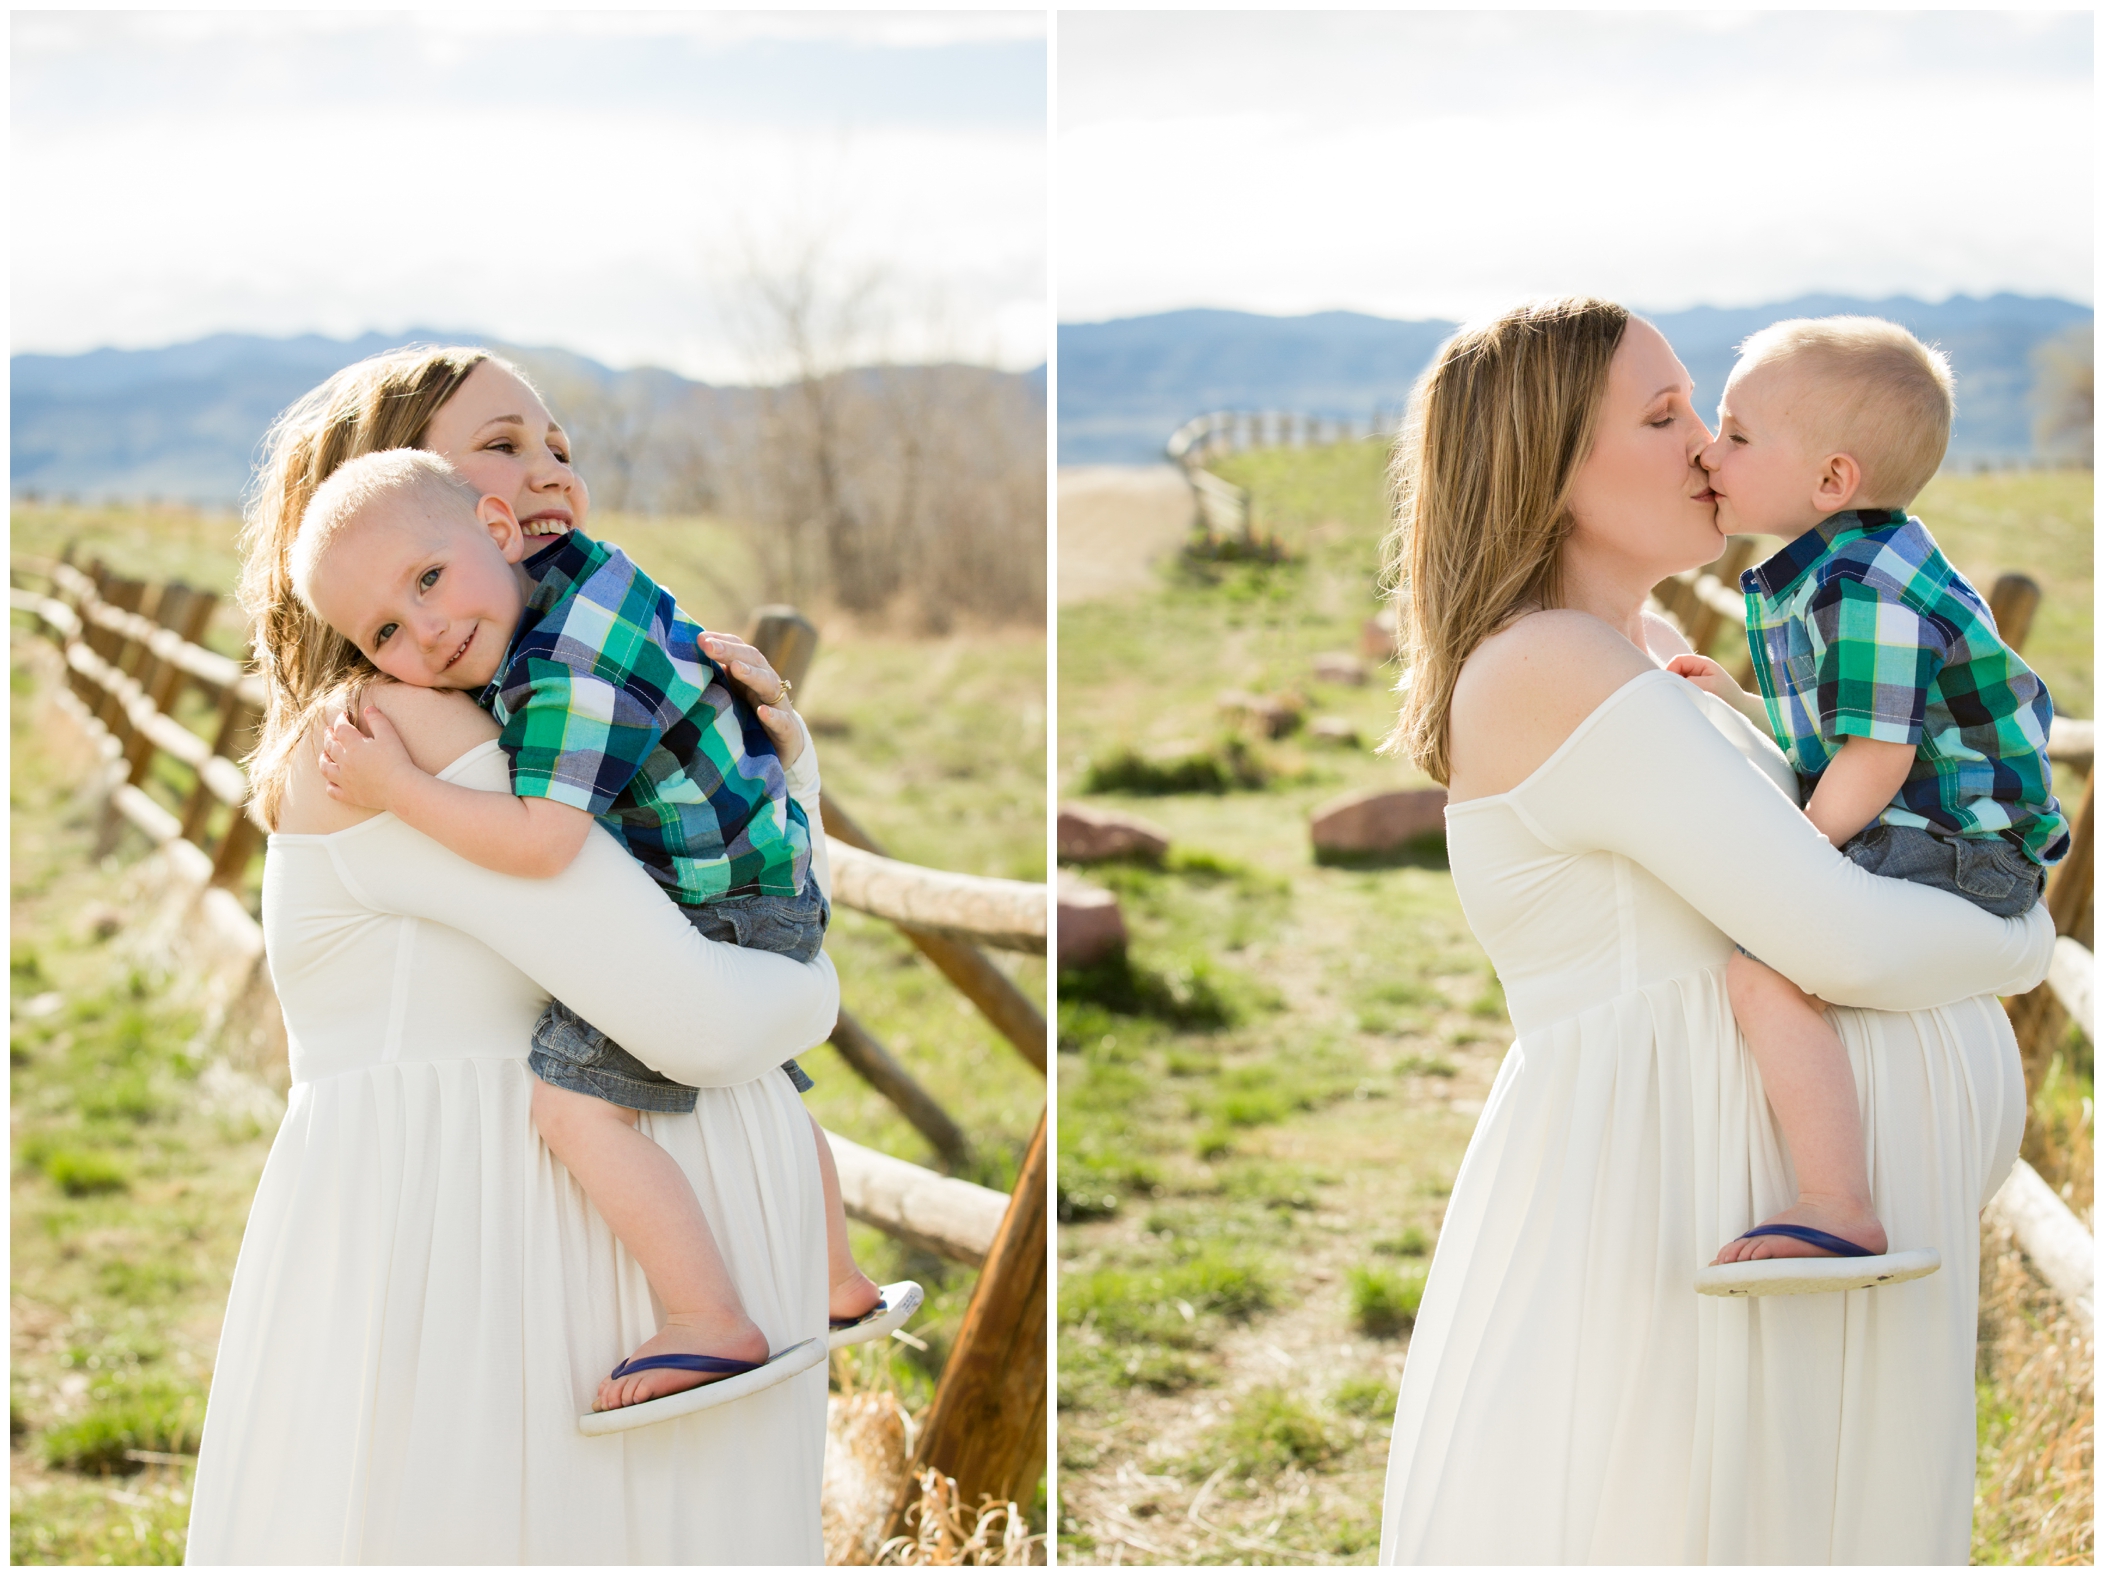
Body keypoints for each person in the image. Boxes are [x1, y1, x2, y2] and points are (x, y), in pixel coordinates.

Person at [1373, 298, 2052, 1564]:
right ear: (1547, 470)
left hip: (1775, 1232)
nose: (1703, 446)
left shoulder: (1640, 653)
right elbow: (1834, 938)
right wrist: (2019, 949)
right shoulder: (1549, 664)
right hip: (1679, 1197)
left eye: (1704, 410)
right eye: (1664, 414)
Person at [187, 346, 838, 1561]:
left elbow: (712, 890)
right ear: (383, 480)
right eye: (500, 442)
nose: (545, 475)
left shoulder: (540, 705)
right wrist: (815, 991)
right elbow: (705, 1013)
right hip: (505, 1260)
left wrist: (777, 750)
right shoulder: (407, 733)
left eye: (558, 448)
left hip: (570, 1254)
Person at [285, 446, 890, 1415]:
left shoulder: (565, 666)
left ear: (493, 528)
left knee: (572, 1110)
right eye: (387, 630)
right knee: (771, 1080)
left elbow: (540, 845)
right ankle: (837, 1283)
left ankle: (707, 1317)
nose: (430, 630)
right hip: (760, 880)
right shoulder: (586, 583)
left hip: (724, 909)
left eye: (430, 580)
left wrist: (395, 786)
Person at [1664, 317, 2066, 1277]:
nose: (1709, 452)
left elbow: (1877, 761)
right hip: (1932, 823)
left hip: (1964, 847)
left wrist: (1795, 862)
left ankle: (1839, 1203)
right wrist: (1743, 701)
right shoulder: (1848, 564)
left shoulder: (1861, 585)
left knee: (1764, 968)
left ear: (1832, 480)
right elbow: (1853, 731)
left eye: (1738, 435)